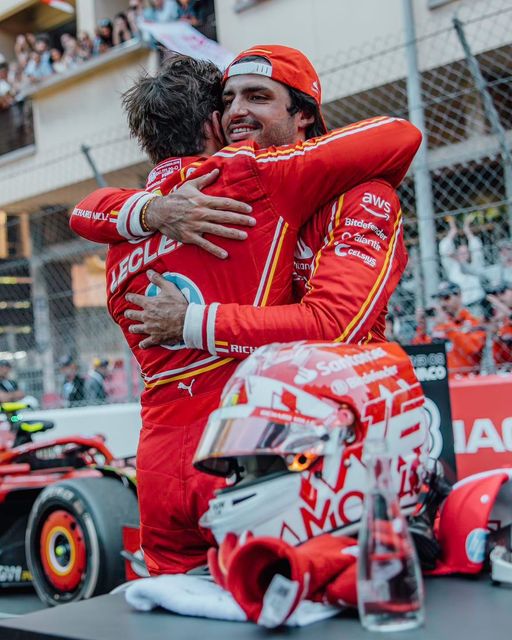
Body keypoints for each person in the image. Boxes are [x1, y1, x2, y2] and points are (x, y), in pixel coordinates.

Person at [70, 49, 421, 575]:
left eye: (257, 96)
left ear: (304, 114)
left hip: (332, 433)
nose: (237, 111)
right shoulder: (220, 184)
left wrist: (191, 318)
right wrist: (151, 209)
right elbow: (91, 209)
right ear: (212, 119)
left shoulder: (358, 195)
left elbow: (333, 329)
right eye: (229, 98)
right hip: (247, 436)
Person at [429, 281, 486, 376]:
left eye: (447, 298)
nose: (443, 304)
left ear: (459, 296)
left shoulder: (474, 321)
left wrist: (448, 326)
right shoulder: (439, 324)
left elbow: (472, 349)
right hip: (441, 379)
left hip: (467, 379)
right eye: (440, 299)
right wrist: (421, 330)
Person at [439, 214, 486, 311]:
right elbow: (444, 251)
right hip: (462, 306)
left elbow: (477, 249)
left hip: (478, 302)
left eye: (466, 252)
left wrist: (467, 231)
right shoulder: (453, 267)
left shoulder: (475, 265)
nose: (463, 255)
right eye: (460, 253)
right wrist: (453, 231)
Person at [487, 283, 512, 370]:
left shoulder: (506, 313)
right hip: (504, 367)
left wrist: (500, 306)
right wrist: (496, 321)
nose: (499, 297)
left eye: (502, 292)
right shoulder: (499, 318)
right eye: (495, 294)